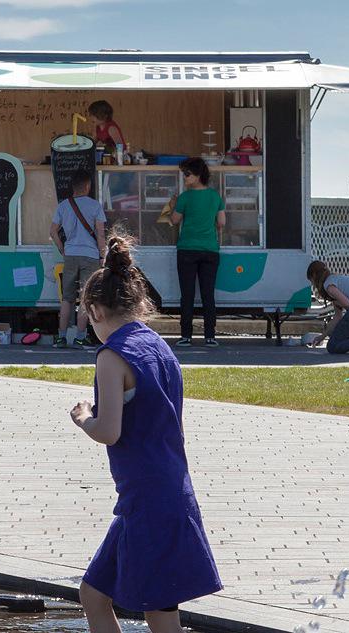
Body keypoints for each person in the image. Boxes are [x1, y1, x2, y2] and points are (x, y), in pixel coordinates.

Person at [68, 235, 221, 633]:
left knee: (160, 612)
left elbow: (109, 431)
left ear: (96, 310)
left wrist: (84, 416)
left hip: (147, 499)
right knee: (94, 594)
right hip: (166, 489)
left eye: (88, 317)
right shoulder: (158, 345)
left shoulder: (111, 355)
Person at [164, 157, 224, 347]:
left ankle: (186, 336)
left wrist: (173, 205)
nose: (184, 178)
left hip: (187, 250)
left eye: (187, 174)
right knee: (208, 294)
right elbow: (222, 223)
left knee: (187, 294)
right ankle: (210, 336)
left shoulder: (184, 197)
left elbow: (174, 220)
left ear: (198, 175)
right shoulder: (215, 196)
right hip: (210, 250)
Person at [51, 170, 106, 349]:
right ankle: (80, 337)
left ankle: (61, 337)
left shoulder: (63, 206)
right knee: (85, 298)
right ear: (88, 186)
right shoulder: (95, 206)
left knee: (67, 298)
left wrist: (63, 249)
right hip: (90, 256)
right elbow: (100, 233)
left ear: (72, 187)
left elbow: (53, 231)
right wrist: (102, 254)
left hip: (71, 255)